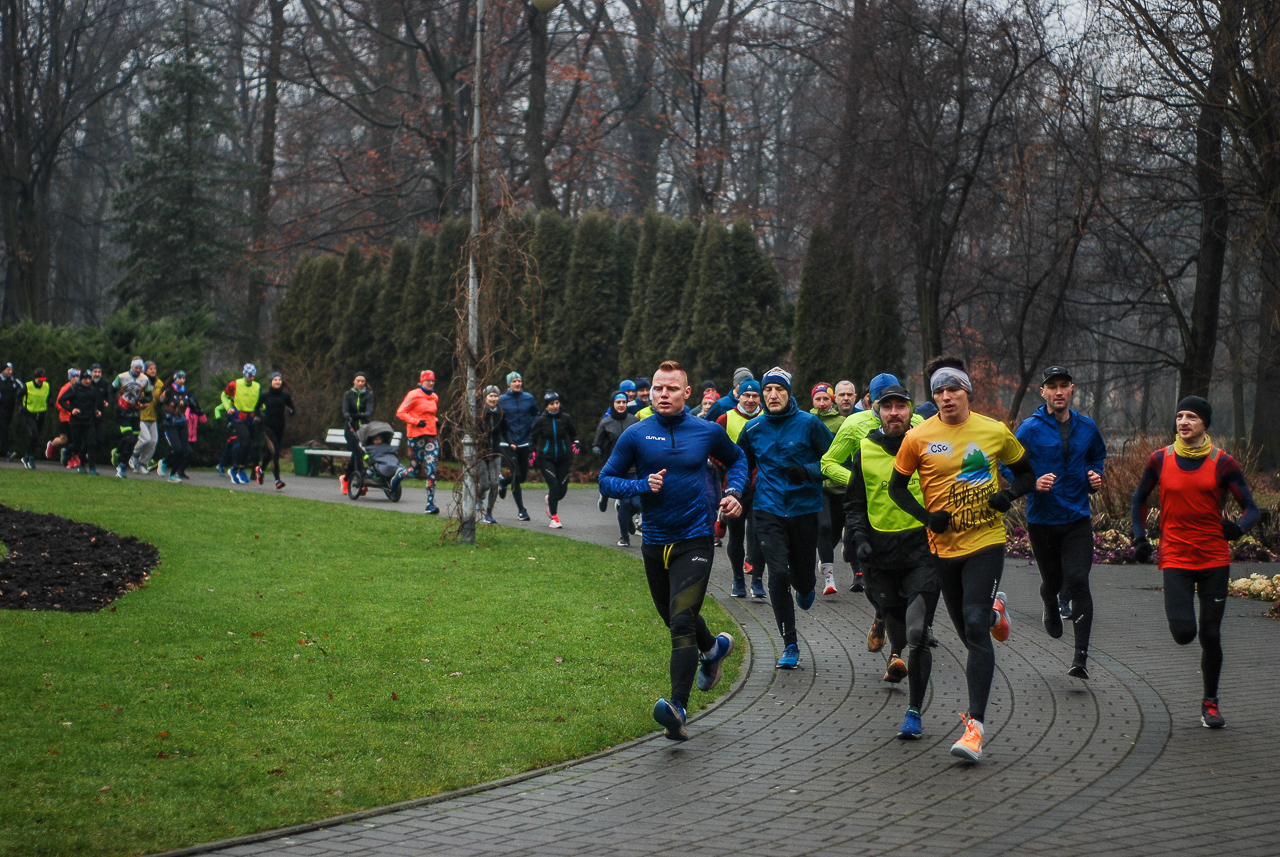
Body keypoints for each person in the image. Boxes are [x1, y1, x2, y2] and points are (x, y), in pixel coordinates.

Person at [888, 356, 1035, 762]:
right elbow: (896, 489)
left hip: (985, 541)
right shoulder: (919, 437)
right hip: (943, 550)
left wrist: (1008, 495)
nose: (946, 396)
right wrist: (926, 517)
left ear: (967, 391)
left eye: (953, 388)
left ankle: (974, 728)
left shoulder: (993, 431)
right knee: (971, 626)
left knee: (972, 628)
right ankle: (995, 613)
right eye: (938, 390)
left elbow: (1025, 472)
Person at [598, 360, 746, 741]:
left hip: (695, 539)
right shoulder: (636, 434)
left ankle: (678, 708)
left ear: (686, 393)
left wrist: (733, 492)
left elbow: (738, 459)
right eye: (658, 388)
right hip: (654, 542)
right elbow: (607, 480)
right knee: (674, 617)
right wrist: (641, 486)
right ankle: (714, 649)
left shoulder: (707, 431)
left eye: (671, 388)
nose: (663, 394)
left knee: (681, 622)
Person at [1131, 396, 1257, 729]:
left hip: (1214, 557)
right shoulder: (1160, 460)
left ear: (1204, 424)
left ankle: (1210, 704)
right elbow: (1139, 498)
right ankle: (1207, 696)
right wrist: (1140, 537)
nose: (1183, 422)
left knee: (1211, 634)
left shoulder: (1223, 463)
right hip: (1175, 556)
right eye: (1180, 416)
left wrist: (1238, 528)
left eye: (1191, 417)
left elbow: (1252, 508)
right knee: (1184, 633)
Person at [843, 383, 939, 739]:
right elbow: (854, 503)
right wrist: (860, 539)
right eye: (888, 407)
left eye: (901, 406)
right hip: (880, 557)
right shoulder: (865, 449)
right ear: (877, 411)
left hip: (922, 551)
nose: (895, 413)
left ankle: (913, 714)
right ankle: (890, 640)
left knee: (918, 633)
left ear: (910, 412)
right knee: (898, 629)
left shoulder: (926, 444)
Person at [736, 367, 834, 670]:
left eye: (779, 389)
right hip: (767, 510)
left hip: (804, 509)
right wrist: (735, 491)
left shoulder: (809, 424)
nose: (772, 395)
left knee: (802, 578)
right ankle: (789, 644)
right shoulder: (753, 429)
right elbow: (740, 465)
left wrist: (808, 471)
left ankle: (806, 587)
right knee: (777, 574)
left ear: (789, 393)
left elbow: (833, 459)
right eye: (768, 390)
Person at [820, 373, 926, 648]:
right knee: (875, 586)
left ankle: (918, 630)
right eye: (882, 403)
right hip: (869, 515)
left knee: (920, 579)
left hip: (912, 519)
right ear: (872, 403)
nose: (892, 412)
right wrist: (860, 482)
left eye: (899, 405)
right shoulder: (854, 423)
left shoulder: (918, 426)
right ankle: (881, 614)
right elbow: (828, 463)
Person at [1015, 366, 1106, 679]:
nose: (1057, 391)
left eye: (1063, 385)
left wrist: (1096, 476)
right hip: (1042, 520)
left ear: (1071, 389)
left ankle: (1080, 658)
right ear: (1042, 392)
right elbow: (1007, 467)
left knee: (1079, 580)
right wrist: (1033, 483)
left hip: (1077, 517)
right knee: (1054, 582)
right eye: (1051, 386)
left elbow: (1097, 457)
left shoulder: (1087, 427)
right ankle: (1049, 599)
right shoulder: (1029, 428)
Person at [716, 377, 765, 598]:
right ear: (738, 396)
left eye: (755, 395)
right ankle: (737, 580)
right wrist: (726, 465)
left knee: (757, 535)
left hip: (762, 487)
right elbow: (711, 449)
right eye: (747, 395)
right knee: (735, 537)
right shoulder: (726, 418)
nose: (751, 400)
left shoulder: (768, 418)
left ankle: (757, 581)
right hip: (735, 488)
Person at [810, 382, 848, 596]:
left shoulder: (843, 422)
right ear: (813, 401)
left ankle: (824, 557)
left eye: (826, 398)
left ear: (832, 400)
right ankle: (829, 577)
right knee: (823, 526)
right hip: (819, 484)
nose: (822, 403)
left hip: (840, 485)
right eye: (818, 399)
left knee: (835, 529)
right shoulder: (808, 420)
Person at [594, 391, 640, 545]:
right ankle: (624, 536)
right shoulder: (605, 423)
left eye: (624, 402)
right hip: (617, 469)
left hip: (634, 467)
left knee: (637, 503)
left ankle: (627, 519)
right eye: (618, 402)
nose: (621, 405)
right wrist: (597, 450)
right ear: (612, 404)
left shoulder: (634, 421)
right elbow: (597, 444)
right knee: (626, 502)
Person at [529, 391, 580, 528]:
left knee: (561, 490)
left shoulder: (566, 418)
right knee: (554, 485)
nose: (555, 406)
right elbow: (532, 439)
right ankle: (554, 518)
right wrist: (532, 454)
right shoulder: (541, 420)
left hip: (563, 458)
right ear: (547, 406)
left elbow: (574, 433)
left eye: (557, 403)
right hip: (546, 459)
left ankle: (550, 500)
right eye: (552, 404)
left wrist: (576, 443)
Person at [396, 371, 441, 513]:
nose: (431, 383)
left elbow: (431, 414)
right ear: (421, 382)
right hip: (415, 437)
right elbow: (401, 412)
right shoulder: (413, 395)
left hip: (431, 437)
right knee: (415, 472)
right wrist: (416, 421)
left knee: (431, 469)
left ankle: (430, 504)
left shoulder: (434, 397)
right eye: (428, 380)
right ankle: (399, 475)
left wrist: (436, 421)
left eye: (433, 381)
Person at [498, 372, 539, 521]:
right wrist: (507, 437)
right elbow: (498, 419)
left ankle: (503, 481)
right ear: (509, 384)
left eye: (519, 381)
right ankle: (521, 510)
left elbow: (535, 414)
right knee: (516, 474)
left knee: (522, 477)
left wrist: (533, 428)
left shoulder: (528, 398)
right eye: (514, 381)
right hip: (507, 441)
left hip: (524, 441)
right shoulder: (502, 400)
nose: (517, 384)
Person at [221, 364, 264, 484]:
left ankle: (237, 469)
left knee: (249, 445)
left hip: (251, 417)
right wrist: (228, 407)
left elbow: (261, 401)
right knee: (244, 442)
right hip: (238, 416)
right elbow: (224, 395)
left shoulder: (257, 386)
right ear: (244, 375)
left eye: (253, 376)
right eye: (249, 376)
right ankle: (239, 469)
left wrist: (263, 408)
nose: (251, 378)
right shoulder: (235, 384)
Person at [157, 371, 202, 483]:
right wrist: (165, 417)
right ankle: (164, 462)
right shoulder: (169, 391)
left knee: (185, 450)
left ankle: (173, 474)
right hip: (171, 424)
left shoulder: (186, 391)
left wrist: (198, 410)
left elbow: (193, 406)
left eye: (183, 378)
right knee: (177, 449)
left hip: (182, 423)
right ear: (175, 379)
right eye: (179, 378)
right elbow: (158, 406)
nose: (182, 380)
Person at [111, 358, 153, 478]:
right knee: (129, 438)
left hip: (135, 414)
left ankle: (121, 459)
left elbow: (149, 396)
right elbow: (111, 391)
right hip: (123, 413)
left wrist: (145, 400)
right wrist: (115, 405)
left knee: (133, 441)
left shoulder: (144, 379)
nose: (138, 370)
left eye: (140, 368)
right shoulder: (122, 377)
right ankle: (121, 461)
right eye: (136, 368)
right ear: (131, 366)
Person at [255, 372, 295, 488]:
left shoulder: (285, 396)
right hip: (267, 427)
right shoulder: (265, 396)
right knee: (275, 452)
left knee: (270, 451)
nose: (277, 382)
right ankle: (277, 480)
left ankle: (261, 470)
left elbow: (292, 408)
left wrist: (291, 411)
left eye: (279, 380)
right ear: (271, 382)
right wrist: (258, 417)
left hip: (280, 427)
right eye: (275, 380)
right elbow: (256, 409)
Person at [58, 370, 102, 474]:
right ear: (81, 379)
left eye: (89, 379)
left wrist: (96, 411)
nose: (87, 381)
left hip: (88, 420)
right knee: (76, 445)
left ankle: (92, 468)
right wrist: (71, 409)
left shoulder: (92, 390)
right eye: (85, 379)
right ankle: (67, 452)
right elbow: (61, 400)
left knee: (91, 443)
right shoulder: (74, 389)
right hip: (76, 421)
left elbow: (94, 403)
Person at [340, 371, 374, 494]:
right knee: (358, 453)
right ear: (354, 381)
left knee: (357, 454)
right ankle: (360, 481)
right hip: (351, 428)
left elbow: (370, 411)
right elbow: (345, 411)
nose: (360, 383)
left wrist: (360, 415)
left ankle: (345, 479)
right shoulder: (348, 394)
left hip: (364, 429)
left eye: (363, 381)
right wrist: (350, 417)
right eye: (358, 381)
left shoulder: (369, 395)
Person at [477, 386, 507, 524]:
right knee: (484, 485)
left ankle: (488, 513)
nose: (494, 399)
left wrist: (511, 442)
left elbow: (505, 431)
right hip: (481, 454)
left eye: (496, 396)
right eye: (491, 396)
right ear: (485, 398)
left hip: (495, 453)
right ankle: (478, 496)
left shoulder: (501, 413)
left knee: (494, 483)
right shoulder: (479, 413)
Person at [130, 360, 163, 473]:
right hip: (141, 416)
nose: (153, 370)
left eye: (154, 368)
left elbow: (161, 398)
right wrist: (139, 403)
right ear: (145, 370)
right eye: (150, 368)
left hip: (153, 417)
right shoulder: (141, 381)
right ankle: (134, 456)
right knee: (145, 439)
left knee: (153, 441)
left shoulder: (159, 383)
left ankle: (142, 464)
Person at [20, 368, 51, 469]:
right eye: (39, 379)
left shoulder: (47, 386)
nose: (41, 382)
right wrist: (21, 407)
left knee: (36, 436)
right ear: (35, 378)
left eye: (43, 379)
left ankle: (27, 456)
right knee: (34, 434)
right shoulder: (28, 386)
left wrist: (51, 401)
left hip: (41, 413)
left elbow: (49, 396)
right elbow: (18, 395)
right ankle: (31, 457)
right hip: (29, 413)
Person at [49, 368, 79, 467]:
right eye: (74, 377)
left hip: (73, 417)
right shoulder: (66, 388)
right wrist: (70, 410)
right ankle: (71, 458)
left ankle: (54, 446)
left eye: (77, 376)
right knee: (70, 439)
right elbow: (59, 403)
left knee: (64, 439)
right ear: (70, 378)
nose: (76, 379)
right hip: (65, 417)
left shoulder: (79, 388)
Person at [0, 362, 23, 462]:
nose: (10, 372)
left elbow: (23, 388)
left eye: (11, 369)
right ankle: (8, 452)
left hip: (9, 410)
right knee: (4, 430)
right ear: (3, 370)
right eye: (8, 370)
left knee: (4, 430)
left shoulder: (14, 381)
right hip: (1, 410)